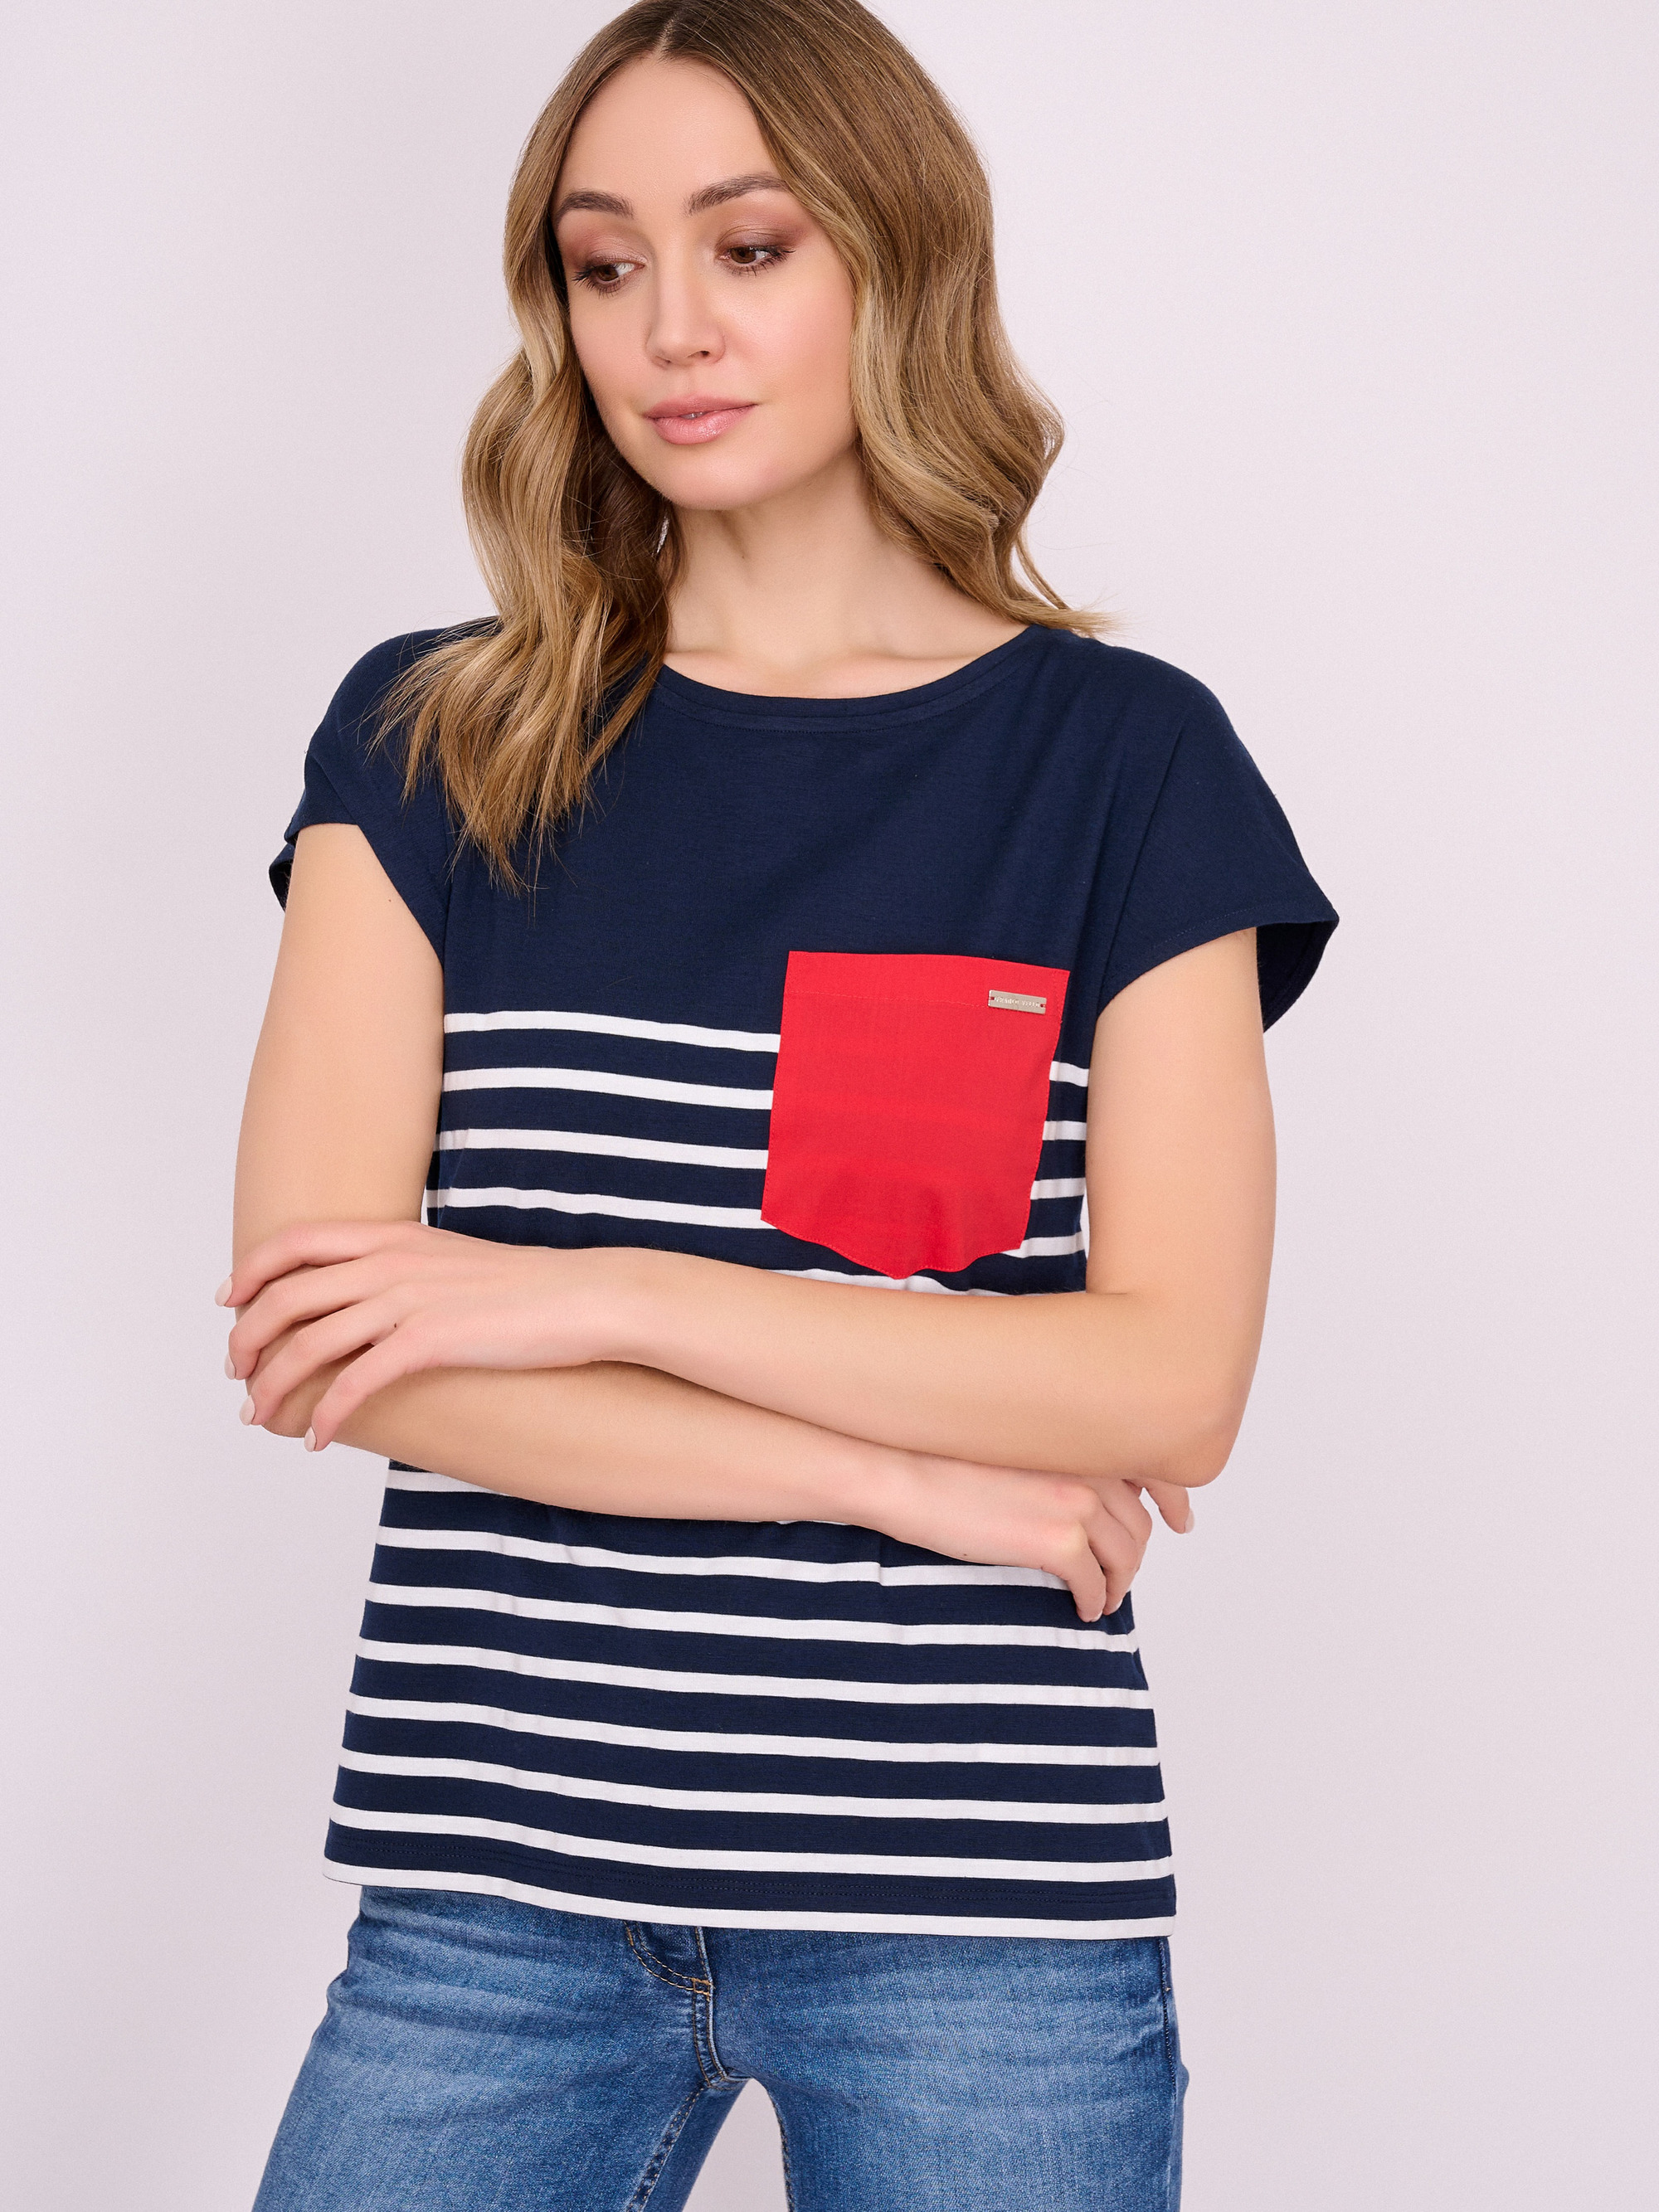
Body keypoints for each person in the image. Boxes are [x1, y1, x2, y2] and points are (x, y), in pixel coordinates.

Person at [226, 2, 1335, 2205]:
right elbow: (335, 1339)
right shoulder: (429, 744)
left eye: (748, 246)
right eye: (604, 262)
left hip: (978, 1915)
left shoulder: (1124, 765)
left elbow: (1166, 1381)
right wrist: (894, 1476)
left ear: (895, 262)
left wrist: (580, 1289)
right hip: (493, 1893)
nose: (670, 328)